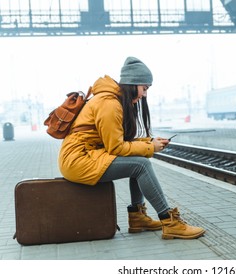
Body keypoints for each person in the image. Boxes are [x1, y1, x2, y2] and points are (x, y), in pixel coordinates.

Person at [58, 57, 205, 240]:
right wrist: (150, 147)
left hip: (86, 155)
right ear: (133, 85)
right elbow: (116, 147)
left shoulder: (112, 100)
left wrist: (148, 141)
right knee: (141, 165)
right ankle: (169, 222)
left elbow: (117, 139)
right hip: (78, 160)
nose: (144, 95)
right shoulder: (109, 104)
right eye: (144, 88)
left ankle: (138, 218)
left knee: (138, 162)